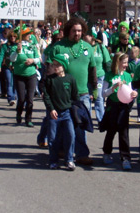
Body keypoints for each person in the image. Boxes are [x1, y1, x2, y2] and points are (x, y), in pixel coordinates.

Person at [49, 17, 97, 165]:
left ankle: (82, 154)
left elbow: (92, 69)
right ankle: (62, 150)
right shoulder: (58, 47)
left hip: (82, 94)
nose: (77, 33)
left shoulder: (88, 48)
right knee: (62, 125)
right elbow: (49, 69)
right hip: (61, 94)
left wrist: (94, 90)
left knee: (80, 125)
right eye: (74, 30)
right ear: (68, 30)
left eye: (80, 31)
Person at [101, 52, 138, 170]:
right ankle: (107, 153)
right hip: (113, 106)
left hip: (123, 106)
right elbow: (103, 94)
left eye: (127, 62)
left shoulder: (127, 76)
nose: (126, 65)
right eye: (124, 62)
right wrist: (113, 88)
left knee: (124, 133)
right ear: (118, 62)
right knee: (111, 131)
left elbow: (130, 91)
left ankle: (125, 158)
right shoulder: (109, 75)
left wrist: (134, 94)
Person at [42, 54, 78, 170]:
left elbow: (75, 96)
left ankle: (69, 160)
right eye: (53, 64)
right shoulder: (50, 80)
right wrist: (51, 109)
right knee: (52, 138)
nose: (55, 67)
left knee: (70, 135)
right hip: (54, 113)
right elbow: (46, 96)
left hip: (67, 113)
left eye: (58, 65)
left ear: (64, 66)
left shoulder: (70, 79)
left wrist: (73, 108)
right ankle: (53, 160)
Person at [12, 27, 40, 127]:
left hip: (31, 75)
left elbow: (38, 59)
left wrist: (32, 61)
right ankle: (19, 114)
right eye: (27, 34)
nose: (30, 35)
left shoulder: (32, 46)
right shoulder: (16, 47)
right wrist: (17, 51)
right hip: (19, 75)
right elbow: (12, 59)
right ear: (22, 35)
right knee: (21, 99)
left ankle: (28, 119)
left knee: (30, 99)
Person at [83, 32, 111, 124]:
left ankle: (101, 121)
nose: (83, 37)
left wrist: (109, 76)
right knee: (87, 98)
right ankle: (87, 121)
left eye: (85, 35)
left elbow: (107, 61)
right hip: (86, 77)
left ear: (91, 37)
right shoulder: (83, 47)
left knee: (98, 97)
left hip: (99, 76)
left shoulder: (100, 47)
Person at [0, 31, 18, 106]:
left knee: (16, 83)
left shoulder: (18, 45)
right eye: (11, 36)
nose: (13, 38)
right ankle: (10, 98)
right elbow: (1, 56)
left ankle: (15, 95)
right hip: (7, 66)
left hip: (17, 67)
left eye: (14, 36)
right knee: (9, 82)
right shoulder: (5, 46)